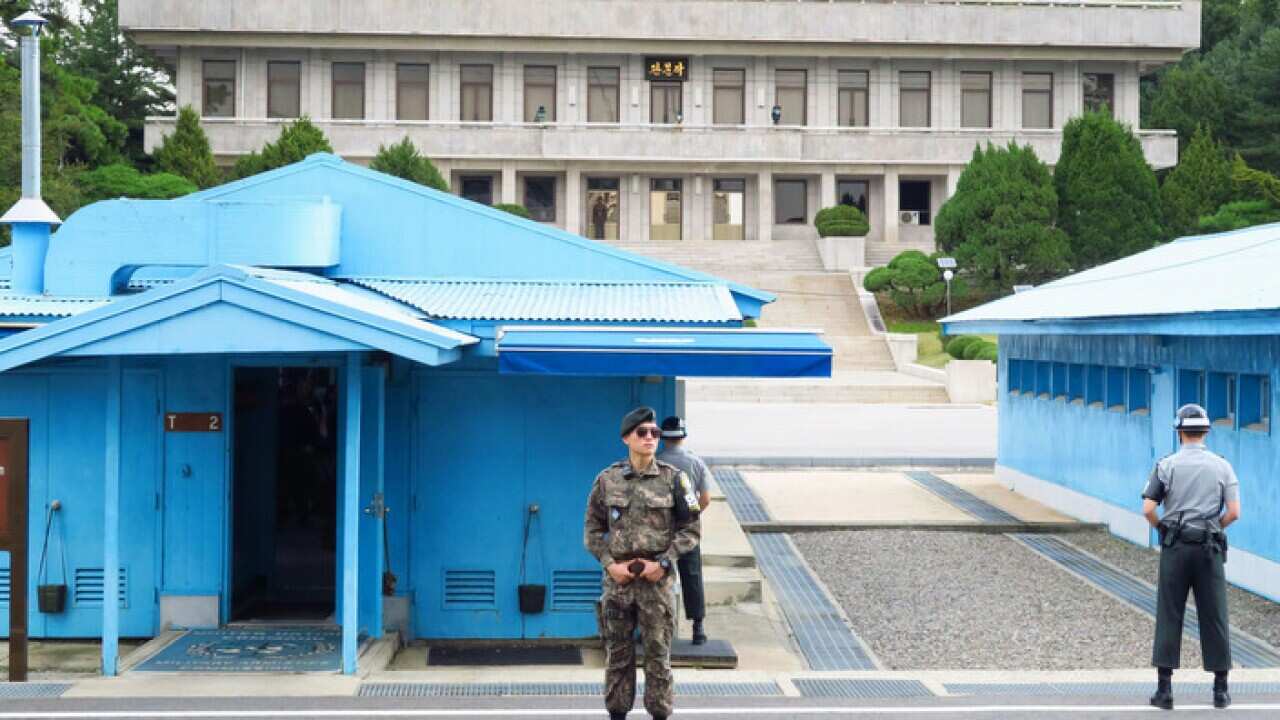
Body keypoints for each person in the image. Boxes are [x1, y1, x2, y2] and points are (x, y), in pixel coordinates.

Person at [584, 407, 701, 720]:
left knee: (658, 658)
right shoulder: (607, 480)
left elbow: (692, 529)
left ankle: (660, 714)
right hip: (619, 584)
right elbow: (592, 530)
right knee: (618, 657)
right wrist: (610, 564)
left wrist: (663, 563)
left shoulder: (676, 480)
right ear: (626, 438)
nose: (650, 438)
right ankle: (617, 715)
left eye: (655, 433)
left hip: (656, 584)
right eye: (642, 433)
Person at [1142, 403, 1241, 710]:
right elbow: (1234, 512)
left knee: (1170, 613)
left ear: (1180, 431)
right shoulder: (1222, 466)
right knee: (1215, 615)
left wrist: (1164, 529)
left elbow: (1148, 508)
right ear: (1206, 431)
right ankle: (1220, 691)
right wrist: (1214, 526)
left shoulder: (1166, 466)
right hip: (1209, 549)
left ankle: (1165, 690)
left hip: (1176, 548)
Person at [657, 415, 712, 645]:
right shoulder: (696, 463)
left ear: (662, 437)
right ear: (683, 436)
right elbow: (706, 499)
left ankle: (660, 630)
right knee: (692, 576)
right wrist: (690, 516)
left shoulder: (655, 462)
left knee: (660, 576)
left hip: (660, 528)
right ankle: (697, 628)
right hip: (687, 529)